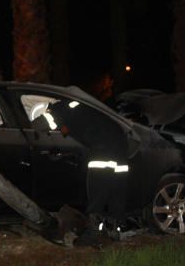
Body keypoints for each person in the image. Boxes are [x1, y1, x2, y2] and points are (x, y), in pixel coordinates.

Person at [46, 98, 130, 245]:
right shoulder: (78, 109)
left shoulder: (68, 115)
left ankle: (94, 233)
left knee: (97, 188)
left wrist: (65, 128)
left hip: (104, 147)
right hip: (119, 145)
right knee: (116, 190)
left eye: (59, 127)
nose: (60, 131)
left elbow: (68, 130)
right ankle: (114, 231)